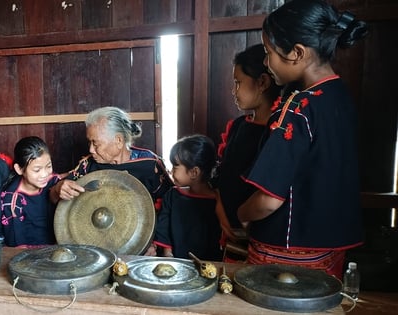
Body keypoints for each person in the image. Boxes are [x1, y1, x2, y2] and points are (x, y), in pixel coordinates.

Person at [238, 0, 367, 278]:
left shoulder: (299, 107)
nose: (265, 62)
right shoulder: (341, 96)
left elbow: (269, 201)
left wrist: (242, 214)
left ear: (297, 53)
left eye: (268, 52)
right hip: (331, 249)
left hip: (287, 250)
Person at [213, 44, 283, 262]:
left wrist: (244, 219)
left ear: (262, 82)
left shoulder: (279, 132)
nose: (234, 90)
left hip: (261, 238)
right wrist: (220, 208)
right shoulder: (238, 126)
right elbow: (222, 176)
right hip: (230, 233)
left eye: (238, 82)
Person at [52, 106, 173, 209]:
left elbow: (170, 202)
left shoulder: (149, 164)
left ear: (119, 141)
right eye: (89, 143)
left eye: (96, 143)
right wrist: (58, 189)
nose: (90, 150)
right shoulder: (87, 165)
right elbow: (52, 197)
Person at [147, 134, 222, 261]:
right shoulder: (173, 195)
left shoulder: (217, 202)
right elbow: (164, 229)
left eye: (175, 166)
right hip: (177, 263)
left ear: (194, 172)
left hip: (207, 265)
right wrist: (168, 254)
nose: (171, 171)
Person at [1, 136, 60, 247]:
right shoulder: (13, 202)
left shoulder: (54, 182)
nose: (44, 174)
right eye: (37, 170)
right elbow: (17, 247)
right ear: (19, 169)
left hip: (59, 248)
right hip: (32, 256)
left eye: (48, 166)